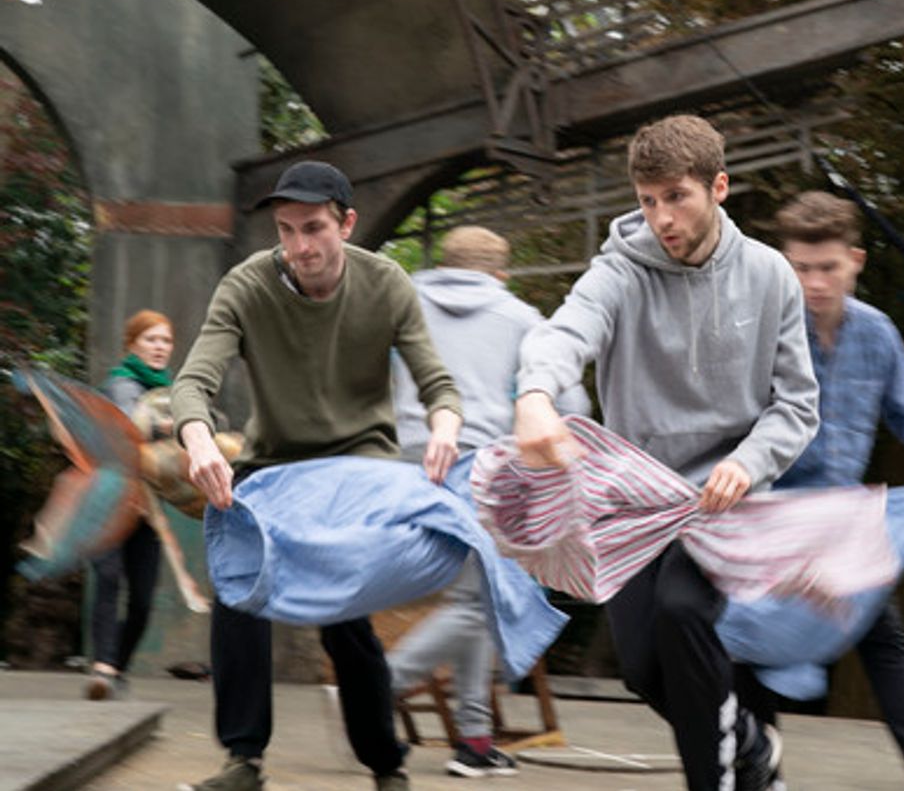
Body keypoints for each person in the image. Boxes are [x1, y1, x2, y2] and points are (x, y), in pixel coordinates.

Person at [511, 114, 820, 791]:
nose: (662, 218)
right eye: (648, 200)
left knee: (683, 612)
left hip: (724, 495)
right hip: (634, 497)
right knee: (644, 671)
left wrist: (749, 461)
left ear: (719, 187)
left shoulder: (770, 276)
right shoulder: (620, 270)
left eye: (676, 196)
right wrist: (536, 391)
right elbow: (566, 331)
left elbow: (797, 404)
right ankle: (749, 747)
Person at [171, 160, 465, 791]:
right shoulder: (248, 285)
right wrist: (198, 438)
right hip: (274, 464)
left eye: (314, 228)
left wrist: (444, 424)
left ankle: (384, 762)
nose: (300, 246)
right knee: (237, 589)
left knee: (343, 614)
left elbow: (436, 381)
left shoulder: (385, 283)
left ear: (346, 223)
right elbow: (195, 381)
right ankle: (242, 760)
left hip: (359, 466)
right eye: (286, 230)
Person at [771, 191, 904, 791]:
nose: (814, 282)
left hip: (845, 518)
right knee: (758, 642)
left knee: (884, 639)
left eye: (828, 267)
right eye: (801, 268)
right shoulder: (764, 331)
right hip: (774, 516)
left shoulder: (878, 332)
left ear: (857, 261)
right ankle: (760, 771)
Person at [386, 225, 589, 780]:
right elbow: (570, 399)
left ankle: (474, 740)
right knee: (476, 602)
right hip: (479, 467)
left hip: (409, 462)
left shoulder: (403, 298)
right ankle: (377, 690)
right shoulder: (520, 318)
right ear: (500, 273)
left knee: (478, 599)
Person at [86, 309, 176, 700]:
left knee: (141, 599)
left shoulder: (170, 391)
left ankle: (116, 667)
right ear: (132, 345)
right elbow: (128, 426)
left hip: (147, 505)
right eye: (151, 339)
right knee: (107, 579)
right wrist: (167, 428)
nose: (159, 347)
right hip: (108, 498)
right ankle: (103, 668)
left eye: (166, 341)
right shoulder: (121, 384)